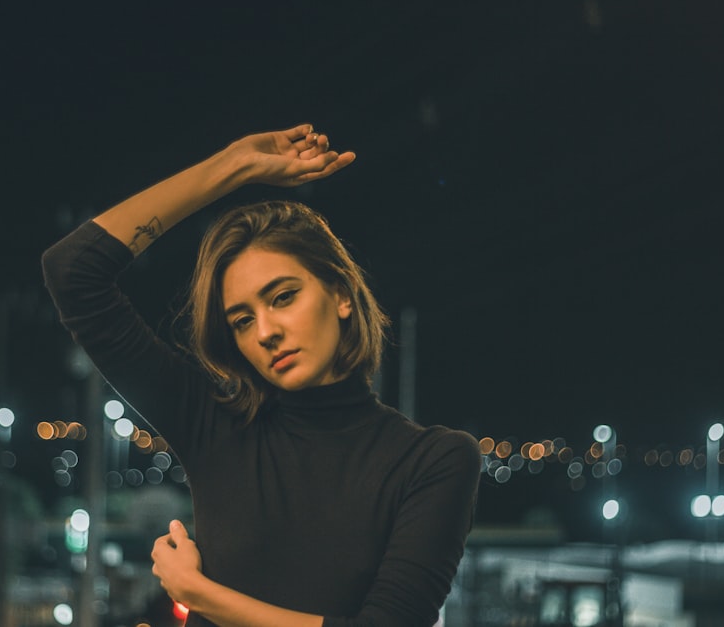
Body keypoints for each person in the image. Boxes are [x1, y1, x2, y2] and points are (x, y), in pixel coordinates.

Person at [42, 124, 481, 627]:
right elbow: (72, 271)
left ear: (340, 295)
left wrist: (198, 593)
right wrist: (232, 168)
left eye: (283, 297)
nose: (266, 331)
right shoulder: (214, 423)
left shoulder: (434, 460)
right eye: (243, 320)